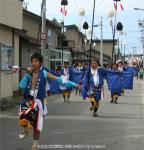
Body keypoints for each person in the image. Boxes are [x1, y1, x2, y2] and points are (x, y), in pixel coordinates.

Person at [16, 53, 79, 150]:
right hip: (27, 100)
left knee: (37, 126)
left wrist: (73, 84)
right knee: (23, 118)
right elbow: (21, 86)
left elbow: (59, 80)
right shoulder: (29, 73)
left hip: (39, 102)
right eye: (32, 61)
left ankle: (34, 145)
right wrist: (27, 75)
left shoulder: (44, 73)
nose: (34, 63)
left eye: (36, 61)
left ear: (40, 63)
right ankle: (25, 130)